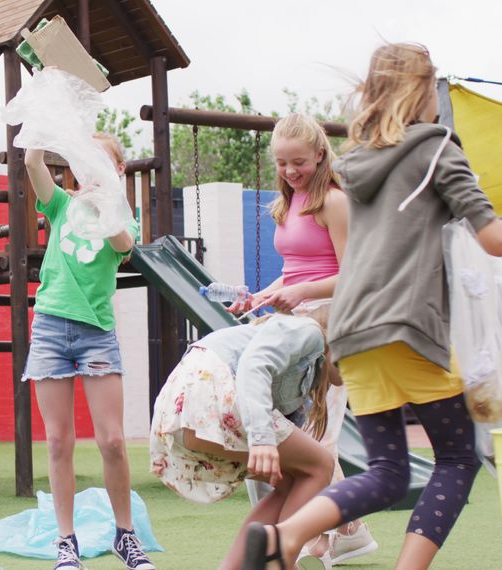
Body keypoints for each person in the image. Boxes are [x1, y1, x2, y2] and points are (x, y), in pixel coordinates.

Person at [241, 43, 502, 570]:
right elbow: (491, 238)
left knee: (386, 473)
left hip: (353, 333)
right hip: (408, 327)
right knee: (457, 457)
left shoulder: (358, 166)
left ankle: (283, 535)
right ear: (422, 89)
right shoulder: (436, 149)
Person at [231, 112, 377, 567]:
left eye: (300, 162)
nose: (291, 171)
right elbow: (295, 272)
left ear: (320, 154)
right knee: (281, 430)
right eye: (282, 163)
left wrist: (301, 293)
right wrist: (263, 295)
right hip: (290, 321)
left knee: (318, 437)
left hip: (328, 326)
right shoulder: (288, 203)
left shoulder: (334, 202)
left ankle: (330, 532)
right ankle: (345, 531)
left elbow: (355, 274)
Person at [23, 133, 153, 570]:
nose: (90, 167)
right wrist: (41, 126)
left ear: (118, 171)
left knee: (112, 440)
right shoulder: (60, 204)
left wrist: (104, 201)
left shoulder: (124, 219)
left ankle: (126, 536)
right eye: (83, 160)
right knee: (59, 441)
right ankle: (66, 542)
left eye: (101, 160)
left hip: (96, 333)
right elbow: (32, 164)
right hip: (50, 331)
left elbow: (123, 245)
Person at [150, 304, 338, 570]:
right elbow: (255, 364)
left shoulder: (306, 376)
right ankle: (281, 560)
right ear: (339, 336)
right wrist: (261, 440)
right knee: (321, 464)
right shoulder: (309, 330)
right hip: (213, 388)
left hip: (188, 408)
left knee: (292, 478)